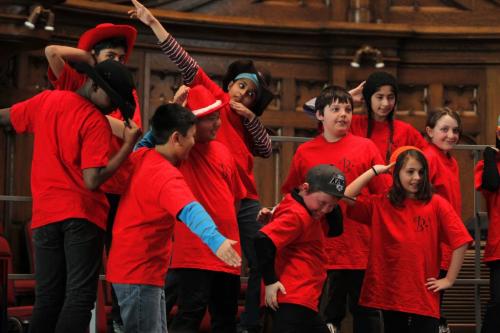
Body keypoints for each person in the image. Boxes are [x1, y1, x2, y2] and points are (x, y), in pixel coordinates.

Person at [129, 1, 274, 331]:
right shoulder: (215, 100)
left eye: (251, 94)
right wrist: (153, 22)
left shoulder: (247, 121)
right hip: (207, 200)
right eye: (241, 86)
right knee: (188, 278)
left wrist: (250, 117)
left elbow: (266, 149)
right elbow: (184, 60)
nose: (243, 95)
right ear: (229, 85)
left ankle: (249, 324)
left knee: (257, 259)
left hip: (242, 201)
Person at [0, 59, 140, 333]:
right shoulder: (95, 122)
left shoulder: (47, 101)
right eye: (111, 99)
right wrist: (127, 147)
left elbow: (5, 116)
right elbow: (91, 180)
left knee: (48, 299)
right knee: (79, 298)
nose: (113, 108)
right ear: (93, 84)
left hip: (44, 216)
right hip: (82, 216)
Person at [106, 103, 241, 333]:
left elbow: (149, 140)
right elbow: (190, 210)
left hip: (136, 272)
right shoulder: (165, 175)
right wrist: (216, 241)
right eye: (191, 136)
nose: (193, 142)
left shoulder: (143, 155)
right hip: (140, 274)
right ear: (177, 138)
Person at [45, 23, 143, 330]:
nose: (118, 62)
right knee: (71, 280)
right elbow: (51, 51)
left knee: (120, 263)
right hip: (81, 190)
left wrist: (83, 112)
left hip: (118, 188)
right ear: (94, 57)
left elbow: (129, 130)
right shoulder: (78, 79)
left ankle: (119, 322)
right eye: (111, 55)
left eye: (122, 58)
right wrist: (88, 59)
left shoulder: (127, 89)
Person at [136, 84, 247, 332]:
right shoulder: (181, 149)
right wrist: (176, 109)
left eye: (217, 117)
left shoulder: (223, 151)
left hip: (228, 250)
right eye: (208, 119)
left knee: (226, 318)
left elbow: (236, 199)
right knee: (190, 314)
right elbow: (147, 147)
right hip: (193, 252)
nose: (216, 124)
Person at [281, 85, 390, 333]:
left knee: (367, 315)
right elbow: (293, 194)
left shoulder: (366, 147)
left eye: (348, 109)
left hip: (360, 248)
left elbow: (384, 197)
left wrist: (354, 203)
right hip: (317, 249)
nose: (343, 114)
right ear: (320, 115)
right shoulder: (305, 152)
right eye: (336, 109)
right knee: (321, 316)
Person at [344, 147, 472, 333]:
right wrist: (375, 171)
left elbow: (461, 240)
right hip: (392, 292)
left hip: (423, 293)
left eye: (421, 172)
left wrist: (449, 279)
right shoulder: (382, 203)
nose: (417, 178)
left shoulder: (436, 203)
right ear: (396, 174)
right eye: (410, 172)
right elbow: (347, 195)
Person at [254, 164, 348, 333]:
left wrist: (332, 201)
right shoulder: (297, 214)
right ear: (305, 188)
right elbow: (263, 240)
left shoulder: (309, 210)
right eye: (323, 203)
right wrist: (270, 281)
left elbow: (336, 229)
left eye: (332, 206)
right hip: (292, 296)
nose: (325, 210)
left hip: (302, 298)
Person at [422, 107, 463, 333]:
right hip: (431, 241)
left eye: (455, 130)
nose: (451, 135)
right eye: (444, 129)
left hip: (446, 241)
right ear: (429, 131)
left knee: (437, 298)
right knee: (430, 299)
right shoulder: (428, 157)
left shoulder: (451, 160)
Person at [351, 71, 427, 162]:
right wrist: (348, 97)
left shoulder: (405, 130)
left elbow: (426, 156)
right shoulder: (352, 123)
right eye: (380, 97)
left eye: (390, 97)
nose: (386, 103)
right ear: (368, 98)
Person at [475, 118, 500, 333]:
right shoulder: (487, 164)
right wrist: (491, 156)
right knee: (497, 303)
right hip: (499, 247)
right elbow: (491, 184)